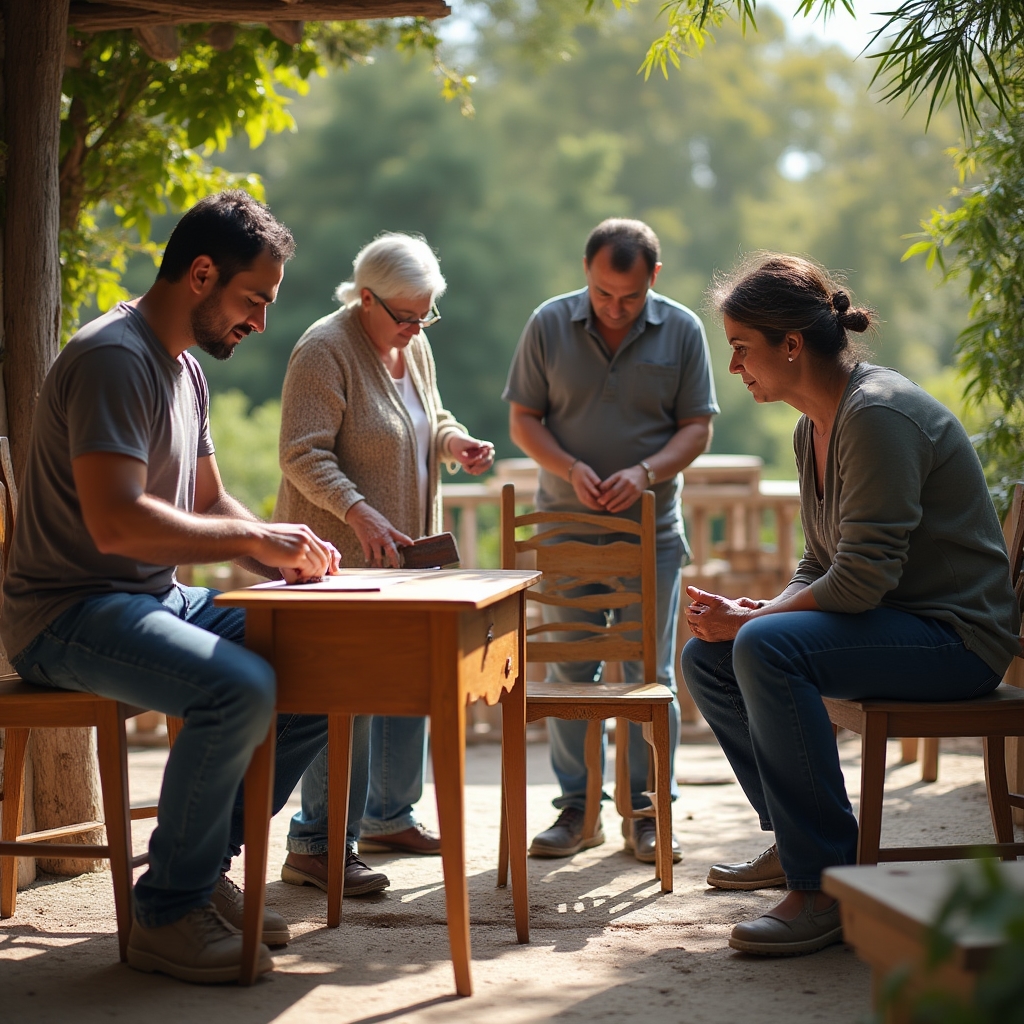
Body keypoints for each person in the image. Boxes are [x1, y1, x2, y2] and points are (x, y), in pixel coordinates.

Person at [0, 191, 343, 984]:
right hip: (68, 613)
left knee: (323, 661)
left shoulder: (186, 367)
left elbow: (208, 503)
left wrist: (287, 557)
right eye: (253, 298)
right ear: (200, 274)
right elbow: (117, 523)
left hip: (148, 598)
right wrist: (257, 537)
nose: (258, 320)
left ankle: (193, 876)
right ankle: (165, 916)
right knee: (239, 687)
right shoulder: (114, 358)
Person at [681, 253, 1021, 956]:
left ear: (792, 345)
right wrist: (762, 607)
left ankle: (824, 884)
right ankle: (797, 839)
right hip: (897, 625)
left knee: (761, 646)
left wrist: (756, 621)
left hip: (956, 641)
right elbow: (823, 561)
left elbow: (860, 582)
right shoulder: (816, 426)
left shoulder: (877, 416)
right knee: (709, 655)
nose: (737, 366)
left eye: (743, 349)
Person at [274, 233, 494, 896]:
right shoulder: (324, 349)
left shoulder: (412, 343)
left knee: (406, 684)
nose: (416, 328)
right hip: (339, 558)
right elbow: (301, 454)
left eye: (426, 315)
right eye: (405, 316)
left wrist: (454, 441)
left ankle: (388, 816)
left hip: (405, 558)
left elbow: (430, 414)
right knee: (345, 696)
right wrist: (359, 512)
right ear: (365, 298)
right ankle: (316, 842)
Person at [502, 218, 719, 862]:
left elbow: (697, 428)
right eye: (602, 293)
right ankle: (577, 810)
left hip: (650, 534)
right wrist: (570, 467)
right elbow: (523, 419)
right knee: (570, 669)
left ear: (654, 277)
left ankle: (648, 813)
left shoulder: (682, 329)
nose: (614, 308)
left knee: (646, 676)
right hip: (565, 528)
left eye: (628, 296)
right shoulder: (547, 324)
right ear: (587, 273)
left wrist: (645, 473)